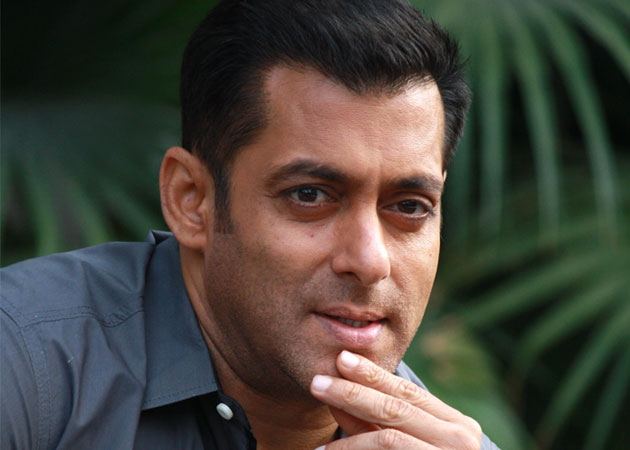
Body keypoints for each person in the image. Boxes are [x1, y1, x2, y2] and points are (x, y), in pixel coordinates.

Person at [1, 0, 499, 448]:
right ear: (192, 200)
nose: (370, 261)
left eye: (409, 206)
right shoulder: (25, 362)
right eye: (310, 195)